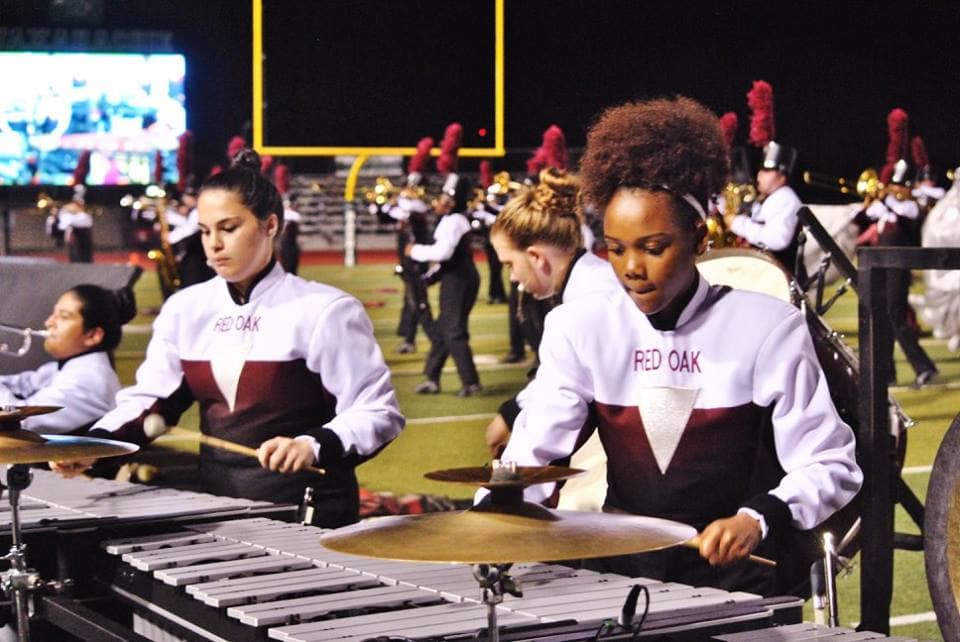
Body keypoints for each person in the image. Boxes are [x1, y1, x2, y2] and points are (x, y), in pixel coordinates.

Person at [491, 97, 861, 595]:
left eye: (653, 247)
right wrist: (490, 523)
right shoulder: (579, 327)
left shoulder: (767, 327)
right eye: (616, 249)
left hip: (743, 578)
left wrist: (759, 517)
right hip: (624, 576)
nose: (631, 269)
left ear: (700, 239)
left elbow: (831, 463)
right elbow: (533, 457)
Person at [52, 149, 404, 528]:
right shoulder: (185, 309)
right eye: (205, 231)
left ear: (270, 226)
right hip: (218, 509)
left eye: (229, 228)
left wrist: (311, 445)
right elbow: (150, 401)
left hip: (309, 511)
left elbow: (377, 411)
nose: (213, 244)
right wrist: (95, 445)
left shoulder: (326, 310)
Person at [484, 168, 622, 457]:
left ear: (535, 257)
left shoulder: (582, 306)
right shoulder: (593, 283)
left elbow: (557, 409)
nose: (511, 277)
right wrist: (513, 411)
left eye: (510, 263)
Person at [0, 284, 135, 434]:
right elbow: (18, 385)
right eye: (54, 313)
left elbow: (17, 421)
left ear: (92, 335)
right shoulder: (60, 369)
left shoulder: (90, 379)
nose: (49, 322)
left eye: (63, 317)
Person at [854, 159, 937, 387]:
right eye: (894, 185)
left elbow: (903, 214)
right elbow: (864, 217)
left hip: (898, 269)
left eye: (900, 185)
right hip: (880, 269)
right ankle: (887, 372)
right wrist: (873, 200)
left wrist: (887, 200)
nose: (896, 188)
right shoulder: (885, 207)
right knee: (881, 318)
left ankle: (924, 366)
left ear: (908, 187)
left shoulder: (911, 206)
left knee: (895, 315)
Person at [407, 173, 482, 397]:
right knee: (443, 330)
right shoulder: (452, 220)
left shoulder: (454, 221)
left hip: (460, 279)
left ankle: (471, 381)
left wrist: (415, 252)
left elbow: (444, 253)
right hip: (456, 277)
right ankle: (432, 377)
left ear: (451, 201)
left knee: (453, 330)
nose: (438, 202)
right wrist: (431, 276)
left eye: (443, 199)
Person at [727, 141, 803, 276]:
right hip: (764, 273)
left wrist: (738, 223)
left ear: (782, 176)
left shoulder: (786, 198)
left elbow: (778, 240)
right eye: (761, 169)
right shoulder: (766, 198)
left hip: (781, 278)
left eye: (767, 171)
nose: (760, 174)